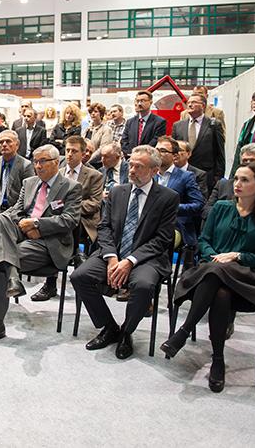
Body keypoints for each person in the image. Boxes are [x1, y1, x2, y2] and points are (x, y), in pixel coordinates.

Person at [162, 163, 255, 393]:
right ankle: (217, 359)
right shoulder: (221, 207)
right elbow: (204, 241)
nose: (237, 184)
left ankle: (184, 331)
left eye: (245, 180)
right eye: (236, 178)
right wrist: (215, 258)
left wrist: (237, 256)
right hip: (212, 271)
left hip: (247, 277)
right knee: (221, 292)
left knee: (217, 275)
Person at [70, 145, 179, 359]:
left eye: (139, 167)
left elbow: (162, 239)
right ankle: (109, 327)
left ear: (154, 171)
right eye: (131, 165)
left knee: (144, 285)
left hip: (146, 258)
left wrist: (129, 261)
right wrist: (112, 258)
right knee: (79, 276)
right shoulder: (117, 192)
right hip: (113, 253)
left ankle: (126, 333)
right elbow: (104, 227)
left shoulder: (168, 197)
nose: (132, 170)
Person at [0, 144, 81, 346]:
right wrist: (23, 223)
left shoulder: (71, 187)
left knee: (1, 261)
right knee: (1, 218)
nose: (38, 166)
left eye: (43, 161)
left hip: (48, 243)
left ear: (56, 162)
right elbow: (17, 210)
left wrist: (37, 224)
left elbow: (70, 220)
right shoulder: (29, 183)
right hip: (22, 234)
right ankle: (13, 278)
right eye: (35, 161)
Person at [32, 136, 104, 302]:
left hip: (82, 221)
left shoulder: (94, 175)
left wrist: (70, 207)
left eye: (74, 151)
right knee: (53, 224)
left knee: (66, 223)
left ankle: (76, 263)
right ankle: (51, 283)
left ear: (83, 154)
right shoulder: (56, 171)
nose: (70, 154)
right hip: (54, 217)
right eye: (67, 150)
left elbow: (94, 204)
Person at [154, 136, 204, 254]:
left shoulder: (186, 176)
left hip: (175, 225)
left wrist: (172, 208)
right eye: (156, 150)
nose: (158, 154)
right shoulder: (150, 175)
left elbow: (199, 205)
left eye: (163, 151)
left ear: (175, 156)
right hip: (150, 223)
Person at [172, 92, 226, 192]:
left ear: (203, 106)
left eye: (194, 102)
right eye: (188, 102)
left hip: (206, 175)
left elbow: (220, 153)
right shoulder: (178, 126)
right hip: (182, 174)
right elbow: (173, 151)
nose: (190, 105)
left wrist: (218, 179)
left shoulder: (214, 125)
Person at [0, 130, 34, 211]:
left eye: (8, 141)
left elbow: (29, 195)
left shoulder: (26, 165)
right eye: (1, 142)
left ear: (17, 144)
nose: (4, 144)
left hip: (14, 210)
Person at [120, 91, 167, 157]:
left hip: (149, 157)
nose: (139, 104)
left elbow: (156, 141)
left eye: (142, 101)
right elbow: (124, 140)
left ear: (150, 102)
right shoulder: (130, 122)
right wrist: (132, 154)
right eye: (137, 101)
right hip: (131, 157)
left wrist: (141, 155)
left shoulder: (159, 122)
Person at [85, 103, 113, 168]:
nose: (93, 114)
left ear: (101, 114)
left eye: (95, 111)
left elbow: (102, 148)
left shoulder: (106, 129)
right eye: (91, 112)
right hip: (85, 162)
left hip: (97, 164)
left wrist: (88, 160)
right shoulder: (87, 129)